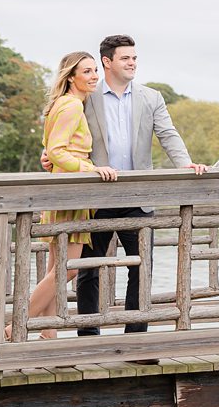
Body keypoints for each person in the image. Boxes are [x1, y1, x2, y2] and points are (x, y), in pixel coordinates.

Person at [62, 34, 207, 334]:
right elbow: (62, 130)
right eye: (126, 58)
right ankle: (88, 337)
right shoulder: (86, 96)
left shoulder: (151, 97)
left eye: (134, 58)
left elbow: (168, 134)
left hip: (139, 197)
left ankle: (135, 338)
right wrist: (49, 154)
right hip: (96, 197)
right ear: (107, 62)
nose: (132, 63)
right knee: (89, 271)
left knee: (142, 269)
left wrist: (185, 164)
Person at [12, 51, 118, 339]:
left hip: (61, 190)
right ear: (71, 76)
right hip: (70, 193)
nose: (94, 75)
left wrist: (55, 160)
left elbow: (49, 150)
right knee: (67, 269)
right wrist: (92, 168)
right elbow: (57, 150)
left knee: (54, 270)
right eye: (86, 71)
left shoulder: (62, 104)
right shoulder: (71, 106)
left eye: (95, 70)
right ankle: (14, 326)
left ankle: (49, 338)